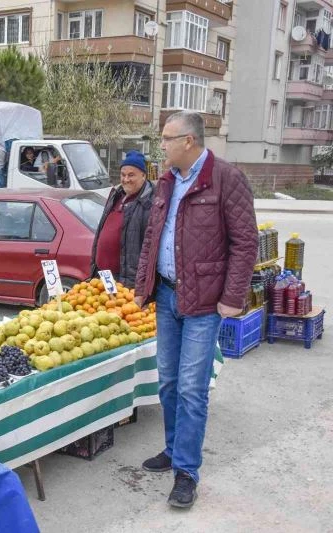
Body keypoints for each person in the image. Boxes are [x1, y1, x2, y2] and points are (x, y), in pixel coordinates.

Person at [134, 111, 258, 508]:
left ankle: (186, 471)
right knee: (168, 381)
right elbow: (153, 237)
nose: (162, 145)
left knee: (191, 388)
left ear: (189, 141)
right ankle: (173, 450)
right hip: (167, 296)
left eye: (167, 139)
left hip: (205, 302)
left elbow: (245, 243)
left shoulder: (226, 178)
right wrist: (142, 287)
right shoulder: (167, 181)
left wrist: (232, 297)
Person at [90, 150, 153, 287]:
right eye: (123, 175)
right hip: (102, 276)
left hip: (126, 280)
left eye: (131, 175)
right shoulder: (116, 196)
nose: (125, 179)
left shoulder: (149, 202)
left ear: (143, 175)